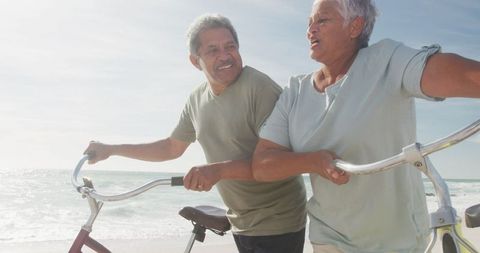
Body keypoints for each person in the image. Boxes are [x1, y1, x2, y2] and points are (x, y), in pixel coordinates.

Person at [251, 0, 480, 252]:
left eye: (322, 20)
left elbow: (444, 72)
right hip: (329, 235)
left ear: (355, 26)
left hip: (397, 240)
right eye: (309, 23)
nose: (310, 30)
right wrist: (313, 162)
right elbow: (262, 165)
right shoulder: (295, 91)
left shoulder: (388, 60)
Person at [84, 14, 307, 253]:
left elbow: (279, 161)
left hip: (278, 219)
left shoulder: (259, 88)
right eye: (212, 50)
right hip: (241, 221)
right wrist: (111, 150)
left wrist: (216, 170)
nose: (224, 55)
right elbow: (171, 147)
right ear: (195, 60)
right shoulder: (196, 99)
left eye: (230, 46)